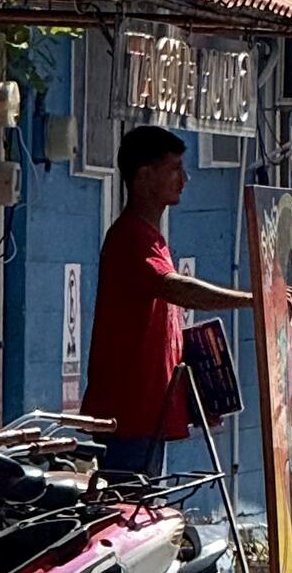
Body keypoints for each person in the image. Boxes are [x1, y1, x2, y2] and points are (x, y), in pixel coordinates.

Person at [83, 126, 257, 479]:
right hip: (127, 414)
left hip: (149, 411)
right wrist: (253, 300)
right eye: (174, 168)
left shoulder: (153, 238)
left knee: (144, 513)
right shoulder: (131, 237)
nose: (185, 179)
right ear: (145, 176)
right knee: (128, 514)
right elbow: (179, 290)